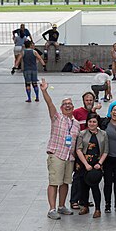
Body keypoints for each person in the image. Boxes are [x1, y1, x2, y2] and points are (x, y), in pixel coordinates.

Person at [40, 78, 80, 220]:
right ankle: (52, 208)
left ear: (73, 107)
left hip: (69, 157)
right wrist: (44, 91)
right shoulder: (57, 117)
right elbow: (49, 104)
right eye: (65, 104)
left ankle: (61, 206)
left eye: (70, 104)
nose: (68, 106)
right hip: (57, 154)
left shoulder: (76, 124)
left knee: (65, 182)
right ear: (61, 107)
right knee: (54, 182)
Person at [70, 92, 101, 210]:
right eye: (87, 100)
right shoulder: (77, 112)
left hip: (91, 151)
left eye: (91, 100)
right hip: (80, 149)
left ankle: (84, 200)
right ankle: (74, 200)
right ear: (83, 101)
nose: (89, 102)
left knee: (87, 176)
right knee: (78, 176)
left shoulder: (93, 114)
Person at [76, 113, 108, 218]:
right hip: (84, 163)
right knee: (83, 186)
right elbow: (78, 149)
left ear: (98, 123)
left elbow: (106, 151)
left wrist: (100, 163)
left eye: (94, 121)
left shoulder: (103, 134)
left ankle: (98, 209)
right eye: (90, 121)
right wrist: (85, 164)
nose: (92, 124)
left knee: (95, 186)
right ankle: (84, 206)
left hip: (96, 164)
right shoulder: (82, 133)